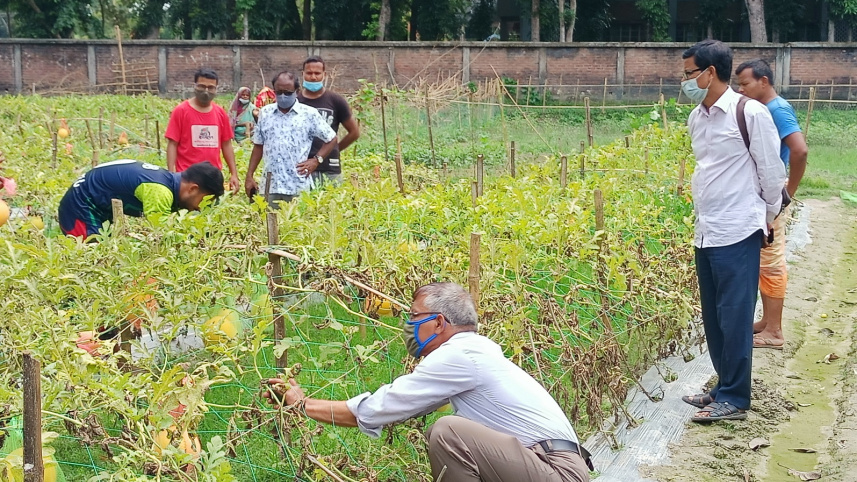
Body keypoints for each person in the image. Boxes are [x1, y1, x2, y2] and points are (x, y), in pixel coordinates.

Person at [263, 282, 592, 482]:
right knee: (452, 430)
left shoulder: (459, 355)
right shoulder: (475, 352)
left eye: (413, 316)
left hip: (556, 472)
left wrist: (303, 404)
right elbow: (402, 405)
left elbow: (381, 407)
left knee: (448, 432)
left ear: (438, 323)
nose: (407, 325)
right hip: (551, 465)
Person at [679, 40, 786, 422]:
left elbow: (772, 172)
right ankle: (723, 387)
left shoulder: (749, 113)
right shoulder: (697, 117)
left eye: (691, 73)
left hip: (739, 228)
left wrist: (768, 216)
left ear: (710, 73)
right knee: (714, 315)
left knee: (736, 315)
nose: (687, 80)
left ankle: (737, 399)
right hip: (706, 230)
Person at [735, 59, 809, 350]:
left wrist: (787, 192)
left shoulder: (777, 109)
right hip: (765, 192)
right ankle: (766, 322)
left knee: (771, 262)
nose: (740, 90)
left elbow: (800, 150)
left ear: (764, 81)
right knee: (764, 260)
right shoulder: (762, 108)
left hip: (771, 194)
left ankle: (775, 332)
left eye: (745, 83)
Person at [58, 159, 224, 239]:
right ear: (193, 189)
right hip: (80, 206)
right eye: (203, 200)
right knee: (92, 257)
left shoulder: (168, 182)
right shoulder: (160, 191)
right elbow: (161, 234)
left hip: (96, 204)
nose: (200, 207)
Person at [244, 71, 337, 207]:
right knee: (268, 224)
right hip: (271, 185)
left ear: (296, 91)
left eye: (287, 93)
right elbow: (258, 145)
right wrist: (249, 175)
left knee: (296, 225)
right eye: (279, 92)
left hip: (298, 185)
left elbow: (331, 138)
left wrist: (317, 160)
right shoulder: (265, 113)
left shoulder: (309, 114)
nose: (283, 96)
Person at [165, 68, 240, 193]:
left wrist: (234, 174)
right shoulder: (181, 111)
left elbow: (226, 144)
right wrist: (172, 174)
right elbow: (172, 144)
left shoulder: (220, 113)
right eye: (202, 86)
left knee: (211, 211)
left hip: (212, 177)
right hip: (186, 177)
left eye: (211, 87)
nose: (206, 91)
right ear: (194, 86)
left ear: (216, 89)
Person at [297, 56, 361, 186]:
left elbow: (354, 132)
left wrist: (335, 148)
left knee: (332, 202)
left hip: (330, 169)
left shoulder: (335, 101)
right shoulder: (295, 102)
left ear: (324, 75)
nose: (313, 77)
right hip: (302, 167)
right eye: (309, 73)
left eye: (317, 73)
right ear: (303, 74)